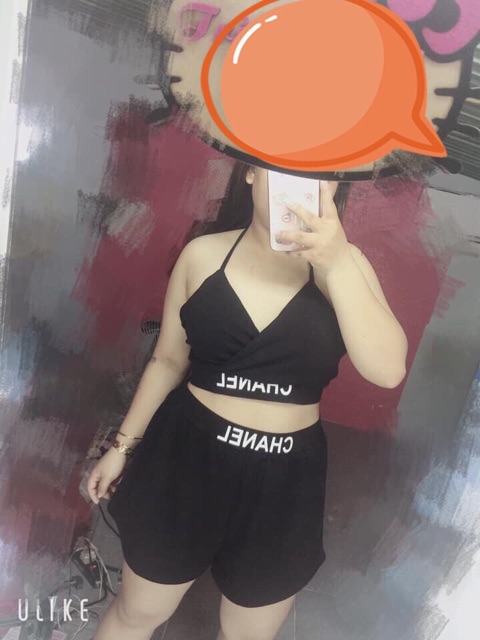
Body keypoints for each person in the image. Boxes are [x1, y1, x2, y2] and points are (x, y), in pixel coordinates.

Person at [87, 162, 408, 640]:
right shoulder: (202, 255)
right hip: (186, 459)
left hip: (285, 479)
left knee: (248, 635)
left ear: (336, 186)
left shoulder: (349, 266)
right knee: (138, 613)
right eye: (286, 168)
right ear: (252, 173)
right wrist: (121, 446)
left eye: (320, 173)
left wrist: (336, 263)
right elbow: (168, 361)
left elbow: (388, 371)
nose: (301, 186)